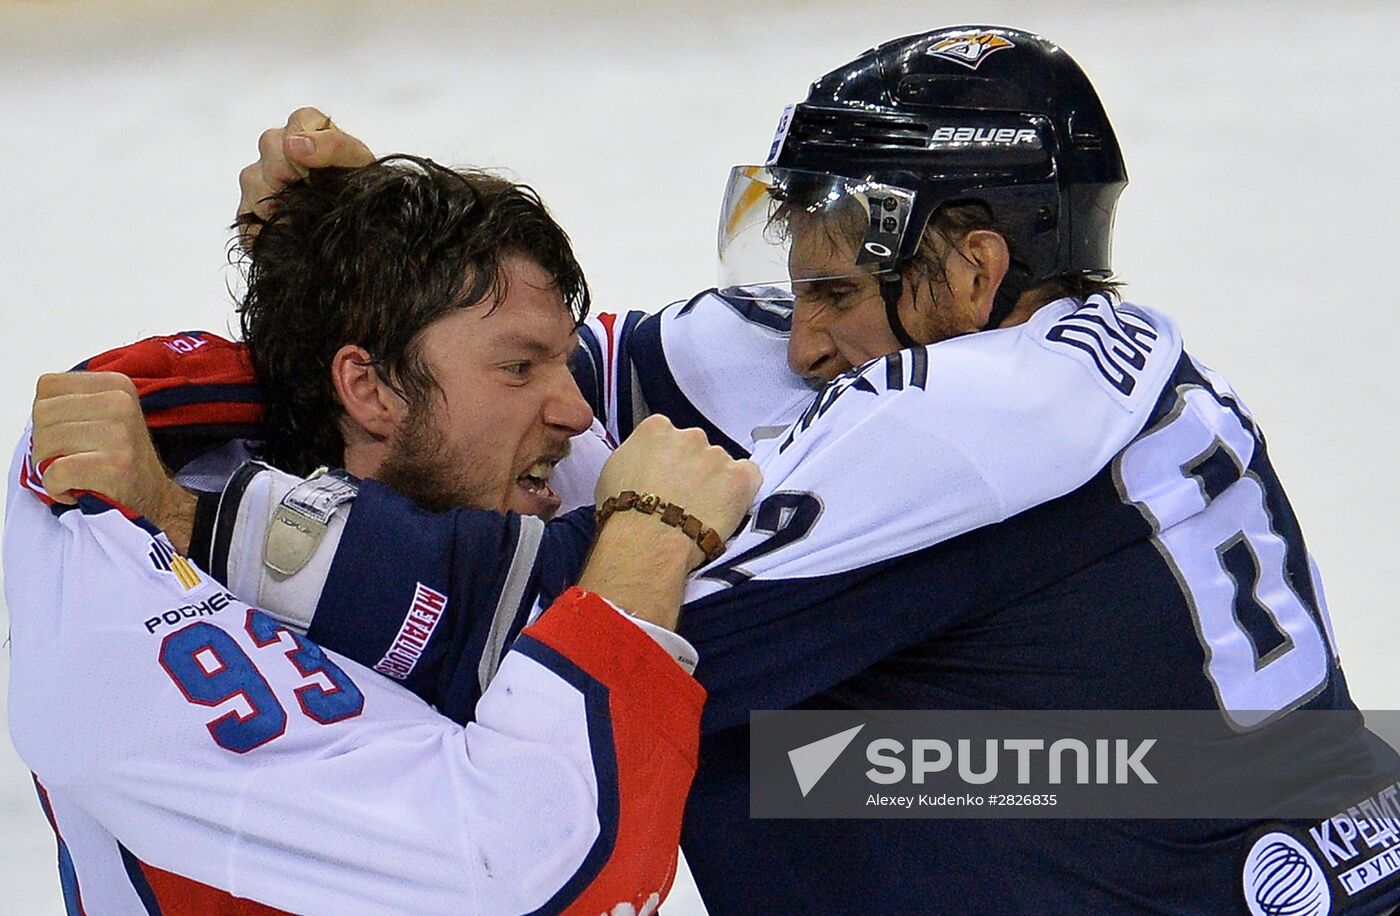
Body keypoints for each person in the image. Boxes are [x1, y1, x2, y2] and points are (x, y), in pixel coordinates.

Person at [32, 26, 1400, 913]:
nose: (799, 341)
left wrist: (200, 515)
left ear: (970, 267)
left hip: (1186, 861)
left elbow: (567, 619)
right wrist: (358, 241)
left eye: (830, 298)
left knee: (676, 715)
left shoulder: (969, 423)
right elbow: (558, 381)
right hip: (1227, 812)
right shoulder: (955, 343)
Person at [8, 156, 761, 914]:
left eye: (561, 363)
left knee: (829, 771)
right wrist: (653, 534)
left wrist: (341, 225)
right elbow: (538, 873)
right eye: (519, 366)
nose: (575, 413)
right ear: (368, 389)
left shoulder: (455, 480)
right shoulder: (123, 634)